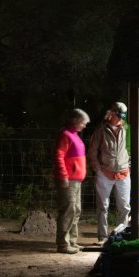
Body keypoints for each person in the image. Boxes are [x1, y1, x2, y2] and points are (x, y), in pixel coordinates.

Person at [88, 101, 131, 243]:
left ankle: (121, 235)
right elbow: (92, 151)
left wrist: (128, 165)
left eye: (122, 116)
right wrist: (97, 170)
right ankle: (102, 237)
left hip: (123, 173)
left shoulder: (127, 129)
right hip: (105, 174)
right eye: (118, 115)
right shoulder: (101, 130)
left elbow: (130, 149)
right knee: (102, 207)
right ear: (111, 114)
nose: (120, 119)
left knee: (124, 207)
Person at [54, 108, 90, 254]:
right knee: (68, 210)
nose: (84, 125)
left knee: (75, 210)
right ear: (75, 120)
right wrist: (63, 176)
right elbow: (59, 155)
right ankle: (63, 244)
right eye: (83, 122)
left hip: (75, 179)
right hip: (68, 179)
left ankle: (72, 240)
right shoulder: (65, 135)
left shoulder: (74, 135)